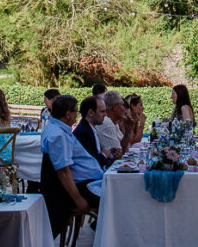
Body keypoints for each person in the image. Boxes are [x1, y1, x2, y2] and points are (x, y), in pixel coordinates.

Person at [39, 95, 103, 237]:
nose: (77, 115)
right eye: (76, 112)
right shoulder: (58, 135)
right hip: (82, 187)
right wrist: (78, 199)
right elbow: (63, 171)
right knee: (117, 197)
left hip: (88, 182)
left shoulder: (58, 129)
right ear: (68, 114)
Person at [73, 94, 110, 169]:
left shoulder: (89, 129)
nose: (105, 115)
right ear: (90, 113)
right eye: (102, 111)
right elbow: (91, 164)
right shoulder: (84, 133)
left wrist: (110, 154)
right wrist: (104, 155)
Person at [95, 91, 133, 157]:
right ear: (115, 107)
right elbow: (119, 155)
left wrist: (128, 131)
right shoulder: (107, 123)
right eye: (122, 105)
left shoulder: (113, 123)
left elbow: (126, 149)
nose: (124, 109)